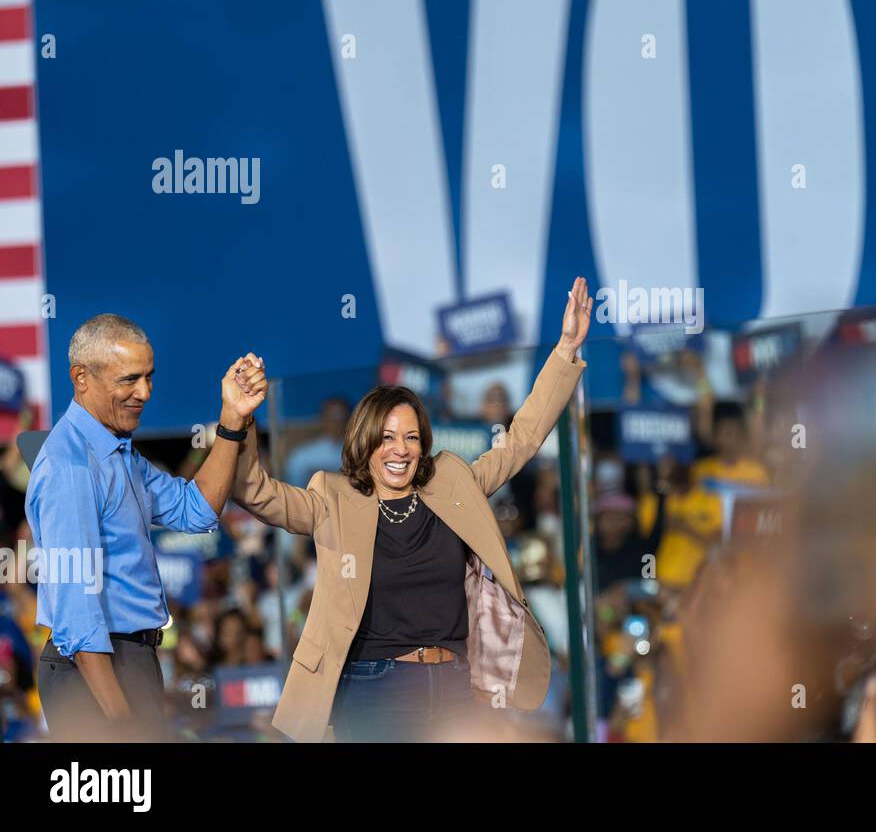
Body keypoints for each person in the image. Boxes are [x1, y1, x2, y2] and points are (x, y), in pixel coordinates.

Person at [228, 276, 592, 742]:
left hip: (456, 684)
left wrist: (565, 350)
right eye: (387, 437)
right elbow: (256, 492)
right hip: (374, 689)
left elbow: (520, 439)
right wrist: (239, 420)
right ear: (365, 441)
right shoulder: (333, 498)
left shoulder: (454, 483)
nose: (400, 449)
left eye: (412, 437)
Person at [25, 313, 267, 740]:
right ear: (81, 377)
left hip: (127, 663)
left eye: (149, 377)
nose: (145, 392)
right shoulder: (70, 466)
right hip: (95, 678)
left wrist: (231, 421)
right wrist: (122, 721)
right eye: (129, 380)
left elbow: (196, 510)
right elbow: (77, 617)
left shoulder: (118, 453)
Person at [285, 396, 350, 488]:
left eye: (342, 418)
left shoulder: (359, 454)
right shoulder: (301, 455)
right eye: (332, 417)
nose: (337, 423)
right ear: (322, 419)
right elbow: (294, 489)